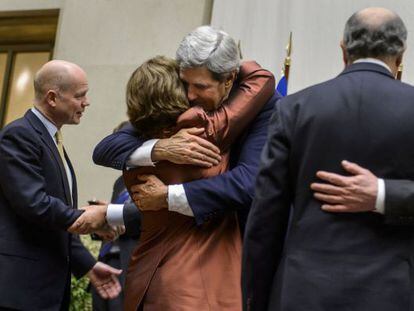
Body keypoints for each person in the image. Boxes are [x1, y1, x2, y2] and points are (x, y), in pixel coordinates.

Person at [242, 7, 414, 311]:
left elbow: (266, 216)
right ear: (401, 54)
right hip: (393, 293)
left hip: (301, 293)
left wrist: (255, 298)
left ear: (343, 49)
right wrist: (386, 195)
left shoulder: (293, 109)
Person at [117, 54, 274, 310]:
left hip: (145, 278)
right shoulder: (200, 129)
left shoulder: (132, 148)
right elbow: (261, 79)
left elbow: (104, 148)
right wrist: (227, 63)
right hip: (195, 283)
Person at [93, 26, 280, 237]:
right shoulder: (182, 98)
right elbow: (106, 148)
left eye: (200, 86)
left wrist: (168, 196)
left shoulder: (265, 105)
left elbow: (250, 181)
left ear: (228, 79)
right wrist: (159, 149)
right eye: (184, 83)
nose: (189, 96)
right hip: (180, 237)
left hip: (240, 238)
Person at [0, 60, 121, 310]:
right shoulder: (19, 135)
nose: (86, 102)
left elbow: (52, 225)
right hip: (20, 292)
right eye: (80, 95)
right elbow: (35, 204)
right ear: (53, 98)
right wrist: (89, 218)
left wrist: (87, 265)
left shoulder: (50, 138)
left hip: (44, 291)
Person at [91, 175, 141, 311]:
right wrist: (98, 223)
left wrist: (110, 213)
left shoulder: (167, 173)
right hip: (106, 263)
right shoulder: (121, 180)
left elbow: (155, 214)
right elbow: (113, 218)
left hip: (134, 266)